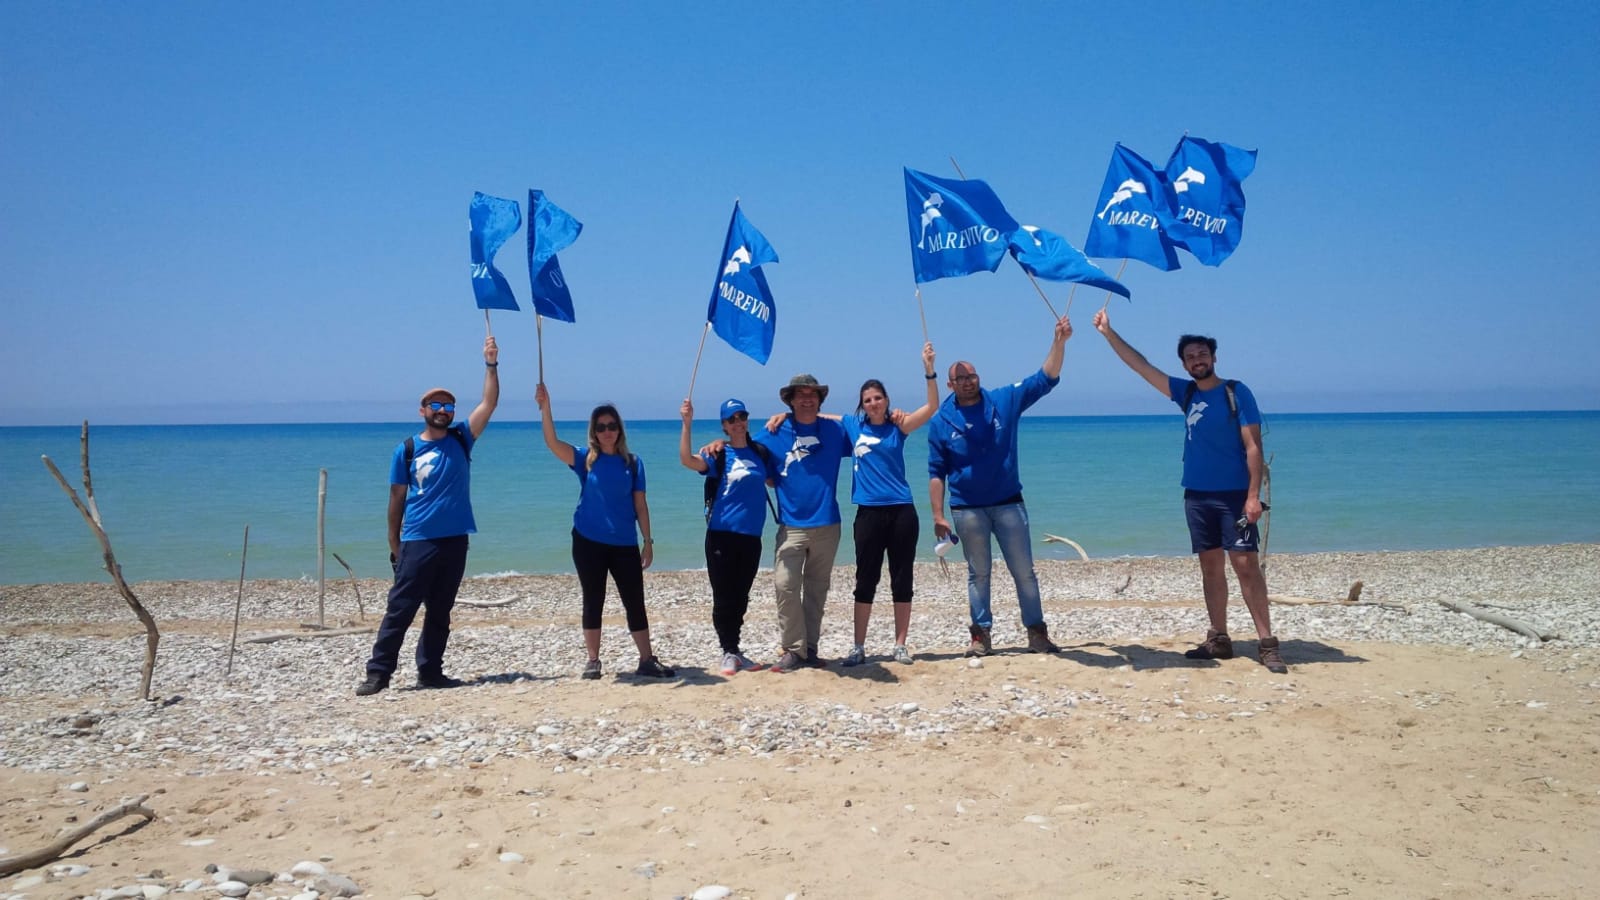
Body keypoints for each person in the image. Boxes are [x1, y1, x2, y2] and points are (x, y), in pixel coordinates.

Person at [1091, 309, 1286, 673]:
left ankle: (1267, 642)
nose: (1197, 360)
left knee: (1245, 566)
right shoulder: (1186, 392)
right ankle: (1219, 638)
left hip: (1234, 496)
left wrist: (1252, 495)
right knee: (1210, 569)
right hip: (1197, 496)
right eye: (1190, 357)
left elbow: (1253, 446)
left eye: (1202, 354)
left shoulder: (1236, 392)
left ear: (1214, 357)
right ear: (1184, 364)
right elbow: (1141, 366)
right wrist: (1108, 332)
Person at [356, 336, 500, 696]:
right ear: (422, 410)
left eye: (448, 405)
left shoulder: (461, 439)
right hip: (417, 540)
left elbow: (489, 402)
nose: (443, 410)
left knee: (440, 612)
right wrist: (395, 544)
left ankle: (430, 672)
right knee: (400, 610)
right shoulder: (406, 450)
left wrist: (491, 364)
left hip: (455, 540)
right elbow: (396, 499)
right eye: (436, 404)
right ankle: (378, 674)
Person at [928, 317, 1072, 657]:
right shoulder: (940, 421)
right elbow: (936, 472)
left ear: (979, 378)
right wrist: (938, 515)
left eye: (971, 375)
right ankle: (980, 636)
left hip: (1009, 503)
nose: (967, 381)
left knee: (1024, 572)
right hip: (966, 509)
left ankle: (1037, 634)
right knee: (978, 576)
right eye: (960, 378)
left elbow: (1045, 378)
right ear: (950, 385)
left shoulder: (1004, 401)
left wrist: (1059, 342)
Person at [536, 382, 675, 680]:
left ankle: (646, 659)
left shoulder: (634, 463)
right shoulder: (585, 459)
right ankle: (593, 661)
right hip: (588, 541)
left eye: (612, 426)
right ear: (594, 431)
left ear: (619, 429)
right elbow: (551, 442)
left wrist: (648, 541)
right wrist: (546, 407)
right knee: (593, 598)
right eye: (601, 427)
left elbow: (641, 506)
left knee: (634, 600)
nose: (607, 431)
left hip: (624, 543)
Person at [838, 342, 940, 667]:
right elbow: (813, 416)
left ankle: (900, 645)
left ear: (886, 400)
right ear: (862, 405)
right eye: (867, 400)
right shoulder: (853, 425)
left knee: (902, 577)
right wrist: (784, 415)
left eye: (877, 398)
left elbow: (933, 406)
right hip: (867, 513)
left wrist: (929, 368)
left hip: (901, 513)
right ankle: (858, 646)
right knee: (865, 579)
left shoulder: (900, 426)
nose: (873, 404)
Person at [752, 374, 852, 672]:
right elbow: (743, 448)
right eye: (800, 395)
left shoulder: (835, 431)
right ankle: (792, 649)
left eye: (813, 395)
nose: (807, 399)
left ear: (820, 400)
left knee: (817, 589)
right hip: (791, 525)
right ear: (790, 400)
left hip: (827, 524)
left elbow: (869, 427)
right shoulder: (774, 431)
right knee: (785, 585)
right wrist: (719, 443)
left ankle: (808, 648)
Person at [679, 397, 776, 676]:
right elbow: (686, 460)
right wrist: (687, 424)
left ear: (747, 419)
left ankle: (736, 649)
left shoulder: (760, 453)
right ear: (724, 425)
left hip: (751, 537)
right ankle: (728, 651)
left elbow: (776, 479)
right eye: (731, 419)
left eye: (741, 416)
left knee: (741, 596)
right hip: (721, 535)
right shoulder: (718, 455)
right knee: (723, 595)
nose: (737, 422)